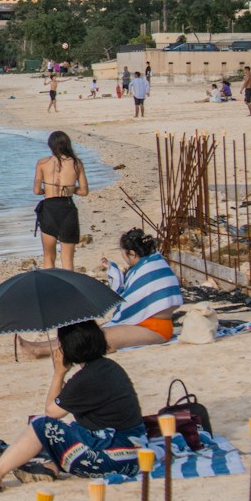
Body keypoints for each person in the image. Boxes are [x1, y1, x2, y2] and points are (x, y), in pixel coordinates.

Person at [0, 320, 147, 491]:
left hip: (116, 458)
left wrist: (58, 372)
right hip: (133, 451)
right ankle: (51, 467)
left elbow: (51, 412)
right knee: (69, 428)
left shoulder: (87, 378)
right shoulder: (107, 368)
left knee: (41, 426)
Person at [100, 228, 184, 349]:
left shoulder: (147, 269)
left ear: (132, 254)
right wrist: (111, 268)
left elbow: (128, 298)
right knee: (93, 335)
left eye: (123, 254)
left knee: (100, 339)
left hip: (154, 329)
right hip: (146, 325)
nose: (124, 258)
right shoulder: (155, 262)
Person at [33, 130, 89, 271]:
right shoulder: (77, 163)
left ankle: (50, 288)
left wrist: (48, 190)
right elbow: (84, 191)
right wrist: (70, 188)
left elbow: (36, 190)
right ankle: (68, 289)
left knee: (49, 257)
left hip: (49, 208)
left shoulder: (42, 163)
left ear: (51, 145)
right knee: (67, 258)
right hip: (67, 207)